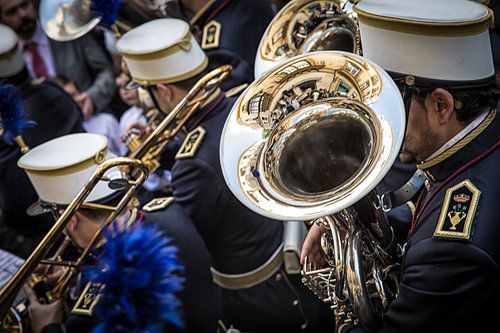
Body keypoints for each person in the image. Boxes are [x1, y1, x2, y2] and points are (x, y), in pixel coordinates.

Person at [117, 17, 333, 332]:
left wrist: (128, 191)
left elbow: (177, 233)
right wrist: (165, 153)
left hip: (263, 303)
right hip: (303, 271)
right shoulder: (240, 108)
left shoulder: (191, 166)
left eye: (145, 93)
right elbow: (218, 161)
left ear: (163, 92)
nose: (143, 102)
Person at [301, 0, 500, 332]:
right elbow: (432, 190)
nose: (380, 121)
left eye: (392, 102)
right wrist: (354, 224)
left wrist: (343, 305)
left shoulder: (451, 251)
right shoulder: (476, 134)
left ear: (442, 105)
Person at [17, 132, 220, 333]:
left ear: (70, 220)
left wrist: (47, 327)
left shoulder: (89, 316)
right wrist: (79, 274)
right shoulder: (169, 210)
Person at [0, 23, 84, 258]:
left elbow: (15, 207)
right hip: (86, 211)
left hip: (45, 242)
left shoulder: (6, 129)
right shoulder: (51, 90)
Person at [0, 0, 116, 121]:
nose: (22, 14)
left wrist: (92, 98)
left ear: (33, 4)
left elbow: (105, 71)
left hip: (94, 119)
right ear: (2, 21)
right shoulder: (7, 62)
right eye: (12, 12)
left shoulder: (68, 30)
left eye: (24, 5)